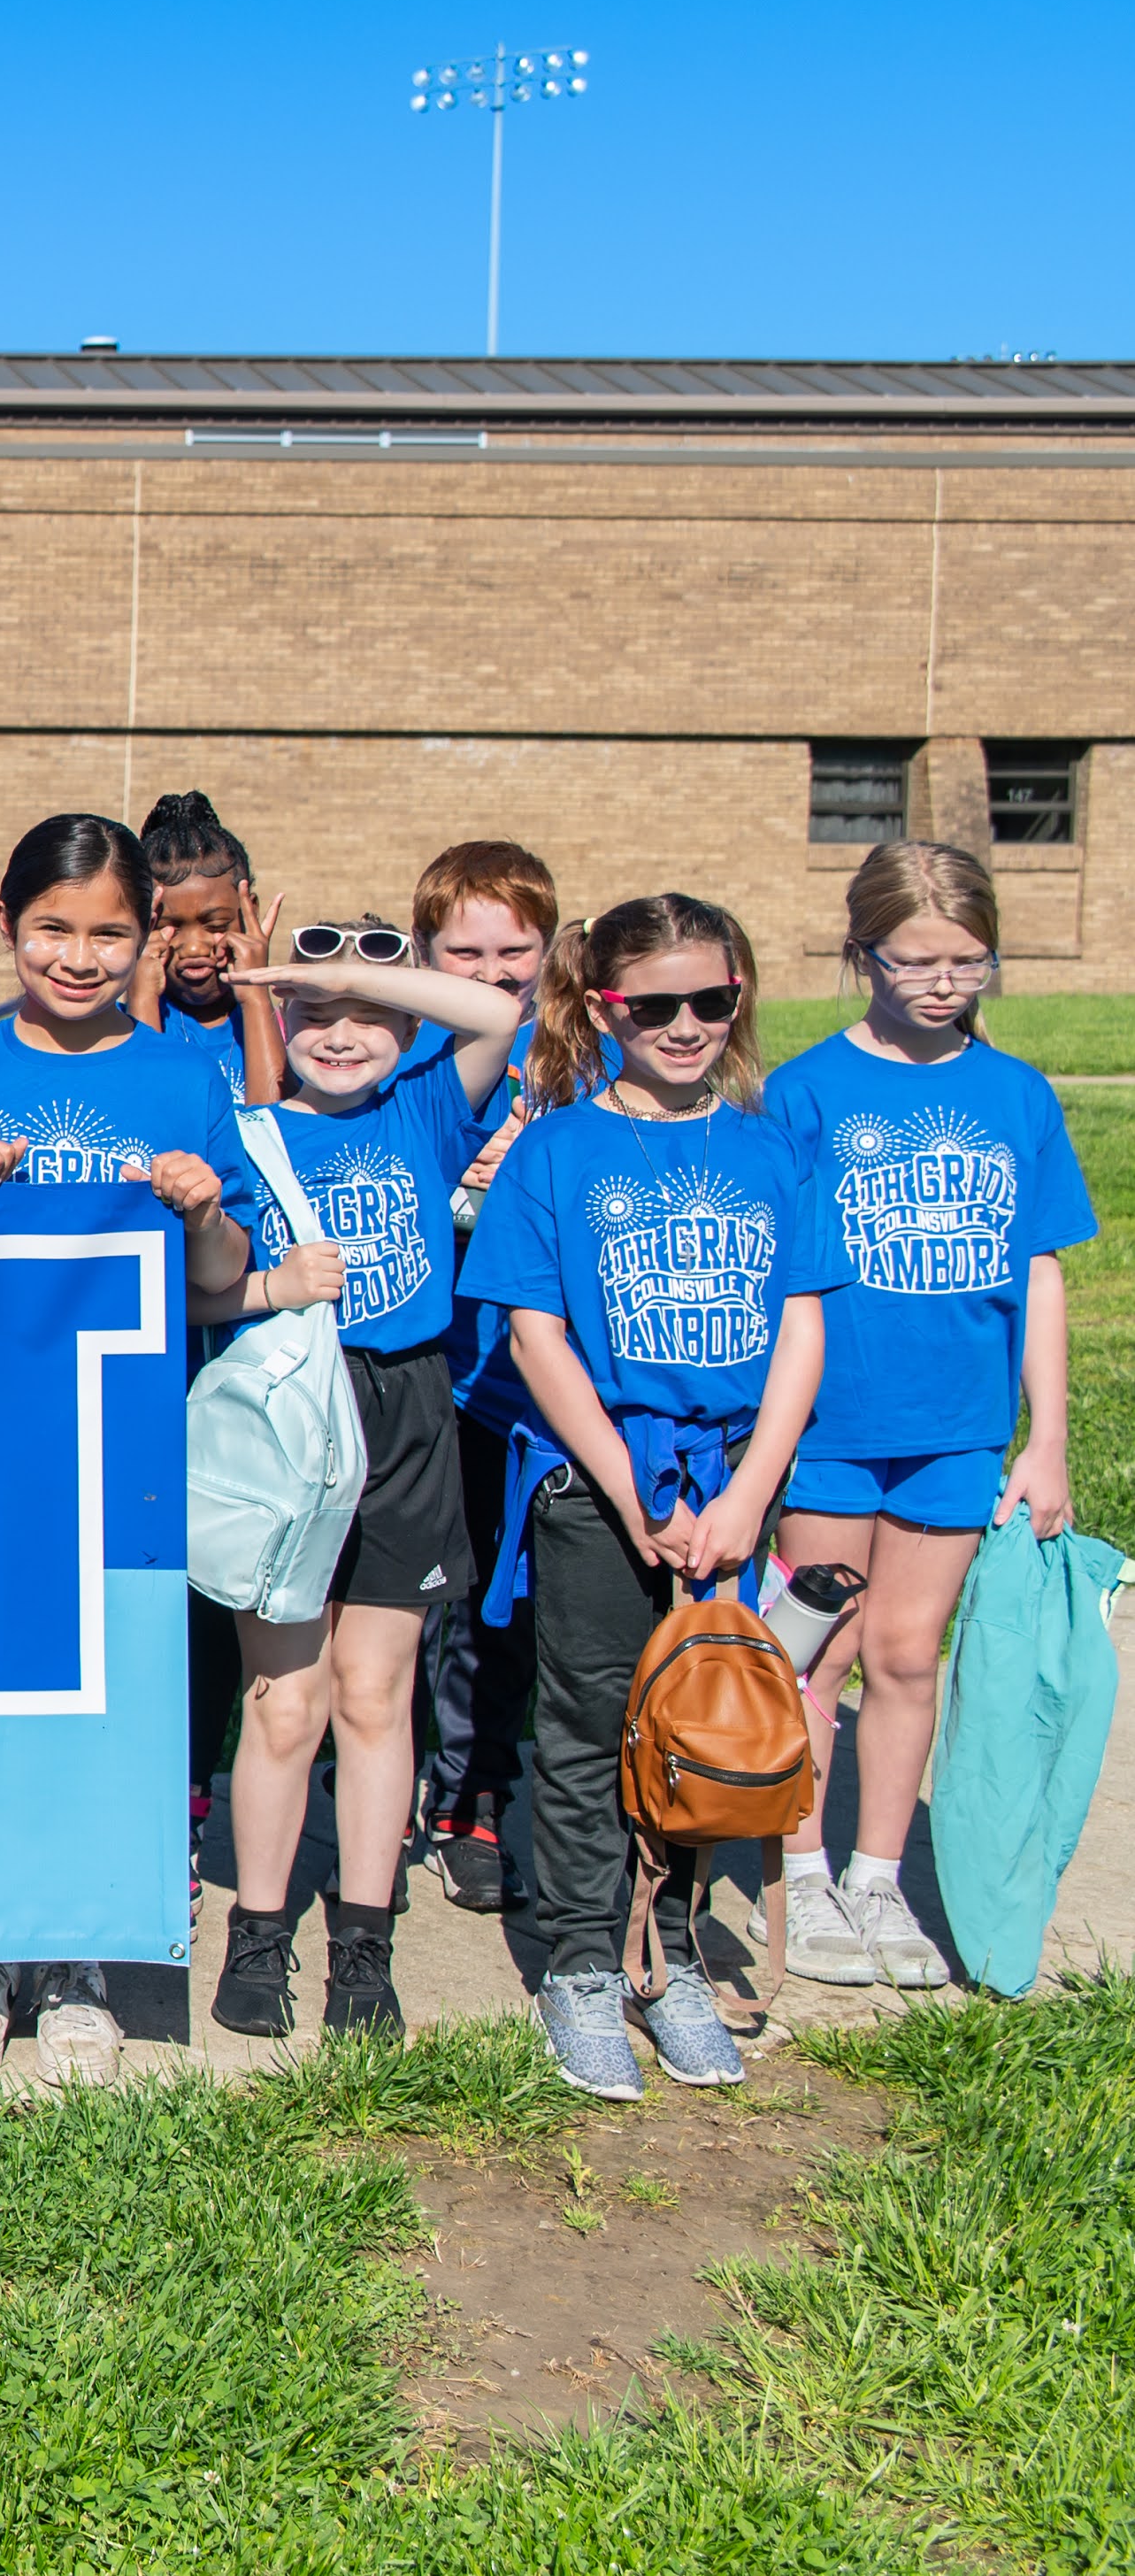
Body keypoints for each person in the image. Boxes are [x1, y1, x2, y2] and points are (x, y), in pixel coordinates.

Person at [461, 894, 837, 2101]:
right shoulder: (557, 1150)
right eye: (654, 1004)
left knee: (697, 1731)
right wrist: (631, 1494)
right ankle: (579, 1963)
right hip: (594, 1484)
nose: (684, 1025)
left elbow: (797, 1325)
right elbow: (532, 1334)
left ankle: (663, 1956)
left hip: (728, 1490)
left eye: (710, 1000)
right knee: (584, 1731)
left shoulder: (769, 1146)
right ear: (602, 1007)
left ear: (737, 1000)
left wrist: (748, 1498)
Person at [0, 812, 262, 2086]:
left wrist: (203, 1209)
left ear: (145, 938)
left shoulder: (180, 1075)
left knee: (106, 1698)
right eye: (52, 928)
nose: (77, 955)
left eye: (108, 931)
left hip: (125, 1448)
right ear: (6, 924)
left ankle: (77, 1956)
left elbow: (221, 1287)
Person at [764, 842, 1093, 1991]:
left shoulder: (1015, 1093)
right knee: (816, 1655)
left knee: (906, 1657)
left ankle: (873, 1872)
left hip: (956, 1430)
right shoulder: (806, 1089)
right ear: (862, 955)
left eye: (967, 960)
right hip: (829, 1429)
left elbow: (1039, 1271)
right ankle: (796, 1875)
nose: (945, 981)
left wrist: (1041, 1438)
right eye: (916, 961)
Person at [203, 921, 525, 2041]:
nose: (340, 1035)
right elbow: (194, 1295)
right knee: (285, 1702)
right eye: (315, 1018)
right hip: (294, 1411)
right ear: (276, 1026)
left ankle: (363, 1940)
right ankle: (255, 1932)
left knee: (375, 1696)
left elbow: (497, 1013)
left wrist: (333, 974)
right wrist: (270, 1290)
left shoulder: (425, 1108)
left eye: (368, 1015)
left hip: (406, 1409)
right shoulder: (241, 1131)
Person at [408, 838, 561, 1912]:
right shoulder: (406, 1060)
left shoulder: (573, 1063)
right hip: (431, 1369)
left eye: (516, 950)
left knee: (503, 1611)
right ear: (423, 952)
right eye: (465, 949)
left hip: (533, 1385)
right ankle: (380, 1782)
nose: (494, 970)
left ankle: (475, 1792)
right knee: (419, 1599)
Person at [132, 792, 282, 1105]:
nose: (194, 946)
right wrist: (142, 996)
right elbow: (148, 1117)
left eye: (215, 926)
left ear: (248, 913)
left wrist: (255, 994)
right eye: (168, 928)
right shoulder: (121, 1026)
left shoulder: (292, 1029)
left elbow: (275, 1126)